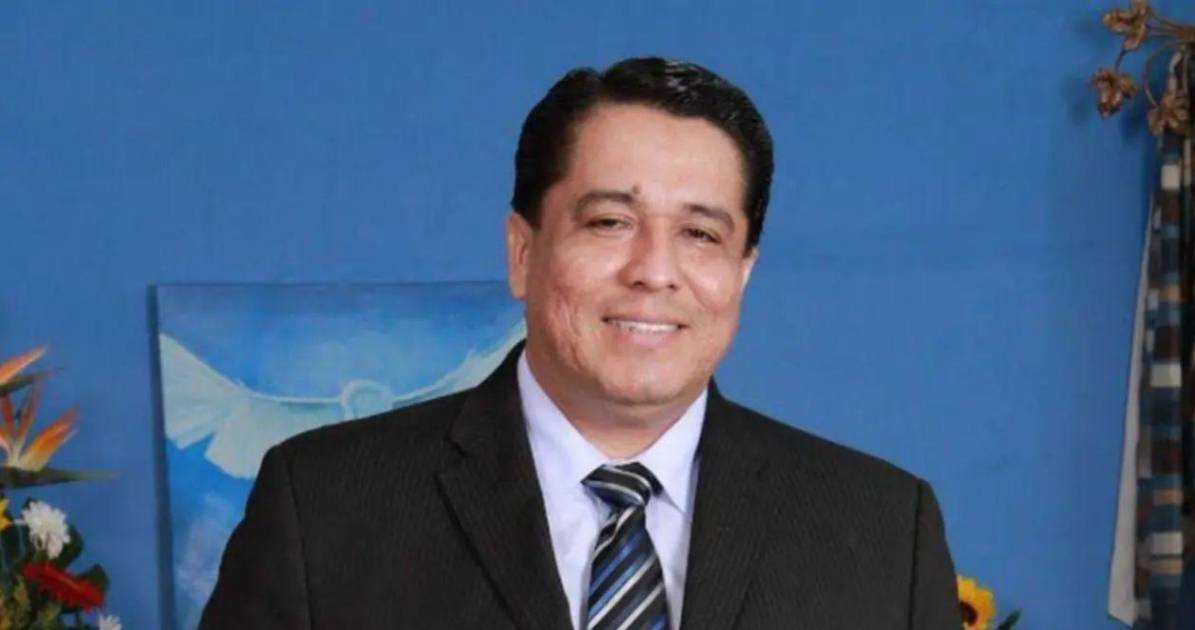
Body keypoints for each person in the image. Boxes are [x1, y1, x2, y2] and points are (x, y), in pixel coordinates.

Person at [200, 56, 960, 629]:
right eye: (610, 222)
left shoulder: (882, 530)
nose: (654, 271)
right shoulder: (326, 507)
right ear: (523, 251)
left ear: (743, 271)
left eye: (700, 234)